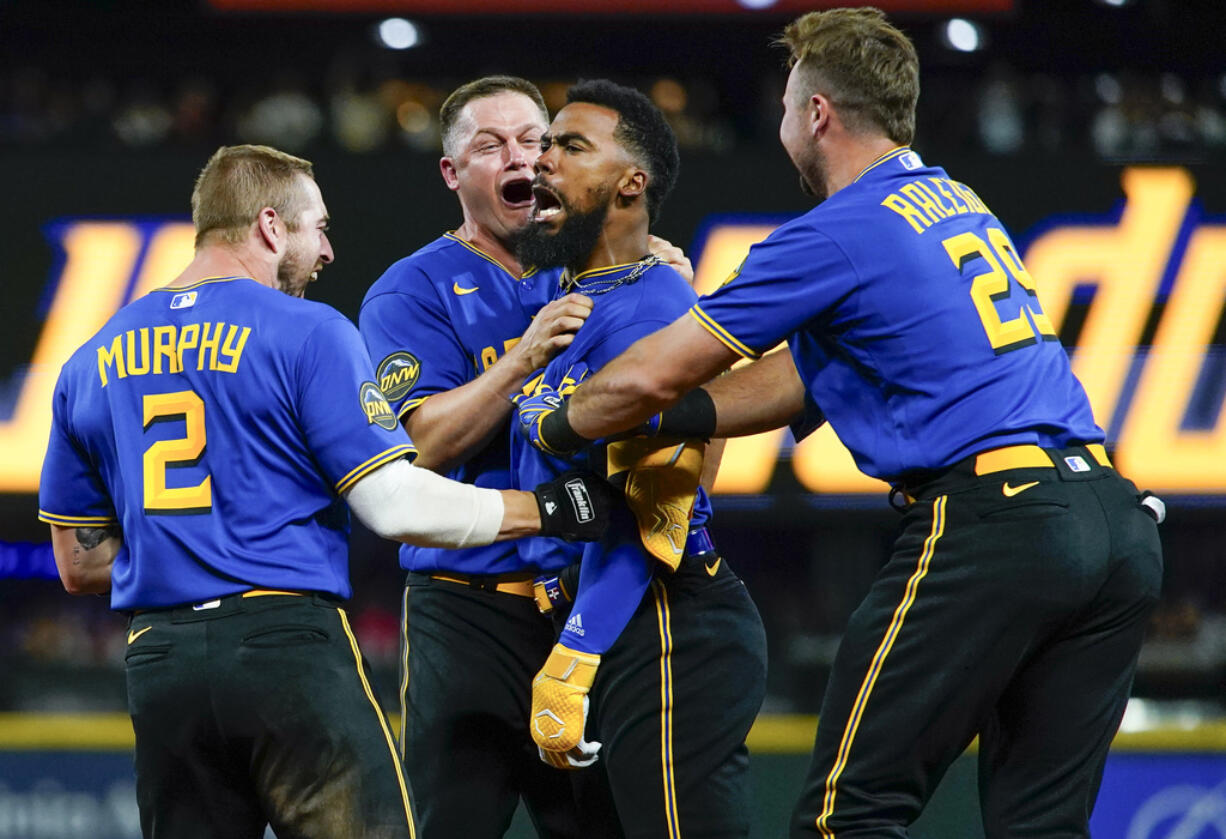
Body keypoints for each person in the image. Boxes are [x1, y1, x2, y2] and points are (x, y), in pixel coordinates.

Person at [522, 10, 1165, 839]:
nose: (783, 119)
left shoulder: (835, 233)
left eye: (789, 104)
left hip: (996, 520)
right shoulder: (952, 201)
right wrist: (675, 416)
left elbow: (650, 371)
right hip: (1113, 522)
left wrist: (553, 422)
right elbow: (799, 378)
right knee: (1040, 829)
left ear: (816, 114)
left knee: (845, 814)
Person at [37, 144, 610, 839]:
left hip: (158, 656)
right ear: (271, 226)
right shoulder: (308, 331)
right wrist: (543, 509)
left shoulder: (89, 357)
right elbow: (393, 504)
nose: (328, 251)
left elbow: (78, 562)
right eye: (319, 227)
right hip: (284, 644)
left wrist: (185, 548)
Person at [358, 76, 689, 838]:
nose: (524, 159)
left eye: (536, 141)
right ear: (453, 174)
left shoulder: (594, 264)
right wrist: (522, 358)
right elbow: (421, 447)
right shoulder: (409, 290)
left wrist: (662, 291)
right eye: (490, 145)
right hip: (465, 607)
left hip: (582, 597)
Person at [511, 79, 767, 838]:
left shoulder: (652, 314)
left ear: (633, 182)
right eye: (546, 142)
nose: (544, 158)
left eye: (571, 145)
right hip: (614, 624)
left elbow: (649, 515)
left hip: (665, 626)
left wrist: (575, 656)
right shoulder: (568, 294)